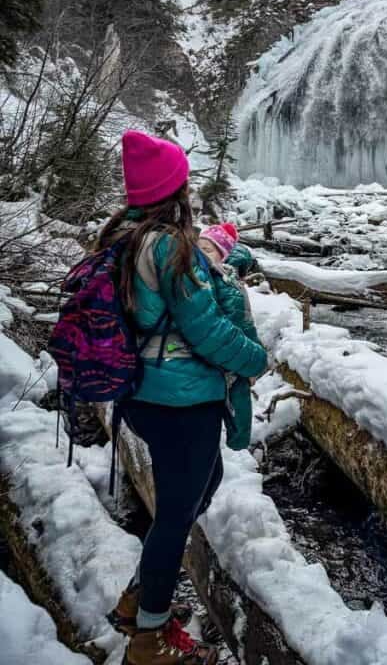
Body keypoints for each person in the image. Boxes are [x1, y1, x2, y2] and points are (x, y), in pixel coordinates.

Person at [103, 130, 267, 665]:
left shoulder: (121, 234)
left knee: (203, 485)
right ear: (172, 190)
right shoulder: (170, 246)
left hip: (141, 393)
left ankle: (137, 599)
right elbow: (206, 330)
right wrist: (255, 359)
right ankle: (148, 638)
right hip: (178, 399)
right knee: (176, 514)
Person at [197, 222, 260, 451]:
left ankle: (238, 448)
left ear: (222, 256)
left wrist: (252, 356)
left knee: (238, 402)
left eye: (208, 249)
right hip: (215, 354)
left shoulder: (224, 283)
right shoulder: (201, 276)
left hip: (231, 354)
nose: (201, 253)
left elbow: (243, 322)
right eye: (199, 247)